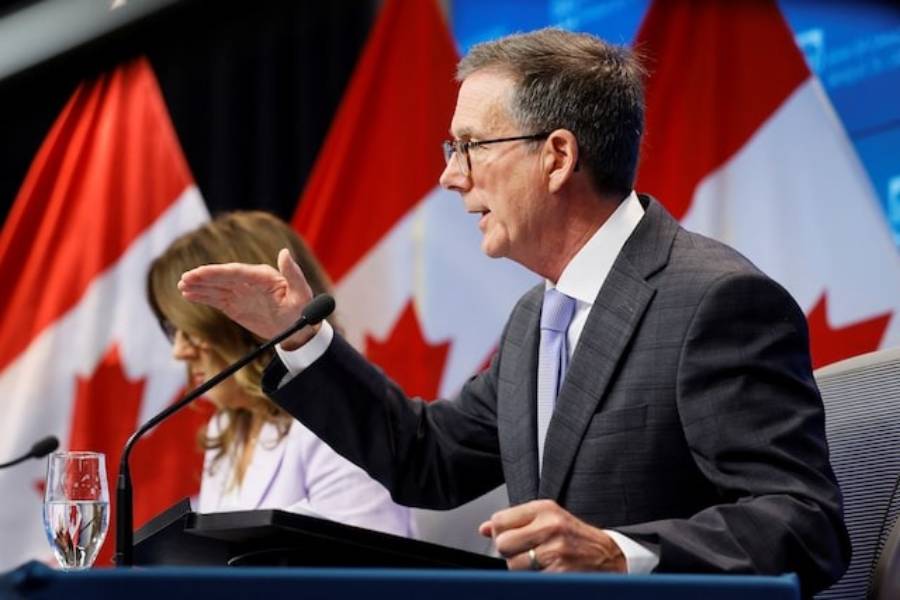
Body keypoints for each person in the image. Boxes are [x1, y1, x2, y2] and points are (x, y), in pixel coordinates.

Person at [177, 29, 850, 594]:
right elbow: (428, 459)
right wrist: (299, 340)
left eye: (470, 146)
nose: (451, 176)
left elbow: (806, 525)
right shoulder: (537, 317)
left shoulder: (715, 301)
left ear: (557, 156)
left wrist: (620, 553)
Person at [147, 210, 414, 536]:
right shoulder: (229, 428)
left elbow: (376, 566)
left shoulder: (338, 418)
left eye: (189, 328)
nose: (180, 350)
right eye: (171, 330)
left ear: (245, 321)